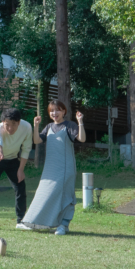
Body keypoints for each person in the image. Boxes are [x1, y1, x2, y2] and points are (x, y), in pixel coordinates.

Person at [19, 100, 86, 235]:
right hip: (50, 169)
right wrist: (36, 125)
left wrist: (80, 122)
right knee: (43, 193)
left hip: (65, 168)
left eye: (57, 110)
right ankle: (32, 222)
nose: (54, 113)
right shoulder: (49, 127)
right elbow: (37, 140)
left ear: (63, 111)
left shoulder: (69, 125)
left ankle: (63, 225)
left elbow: (82, 139)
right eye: (51, 111)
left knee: (65, 195)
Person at [0, 108, 33, 231]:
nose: (10, 128)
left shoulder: (26, 127)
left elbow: (26, 149)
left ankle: (21, 220)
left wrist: (21, 169)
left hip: (12, 158)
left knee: (20, 186)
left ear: (19, 122)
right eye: (7, 125)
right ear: (3, 122)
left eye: (14, 125)